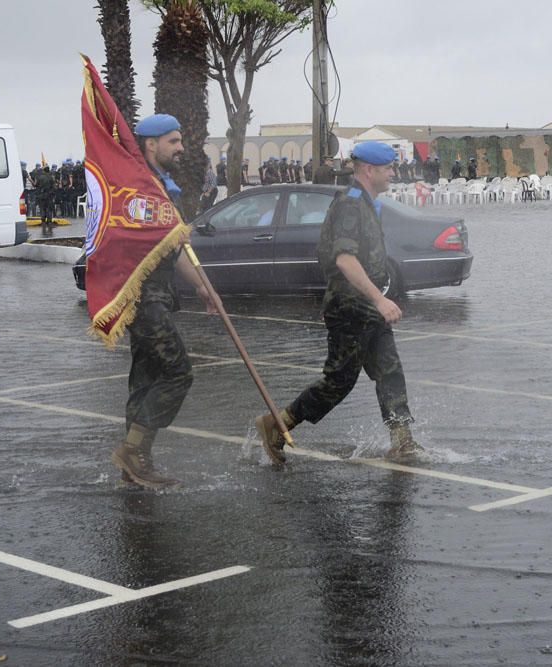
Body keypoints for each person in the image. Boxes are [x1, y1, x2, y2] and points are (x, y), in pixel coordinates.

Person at [254, 141, 422, 465]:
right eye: (388, 168)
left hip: (368, 307)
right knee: (339, 382)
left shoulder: (368, 203)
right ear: (369, 170)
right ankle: (277, 424)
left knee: (390, 372)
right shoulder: (350, 205)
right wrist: (380, 299)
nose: (392, 173)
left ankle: (403, 442)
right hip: (350, 307)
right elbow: (345, 260)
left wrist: (379, 299)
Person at [111, 113, 222, 489]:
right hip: (143, 298)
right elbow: (138, 241)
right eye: (173, 141)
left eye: (179, 140)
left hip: (154, 295)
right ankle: (134, 451)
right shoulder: (139, 188)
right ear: (150, 144)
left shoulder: (159, 186)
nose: (180, 147)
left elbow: (173, 250)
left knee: (145, 381)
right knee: (178, 373)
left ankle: (136, 464)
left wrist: (204, 286)